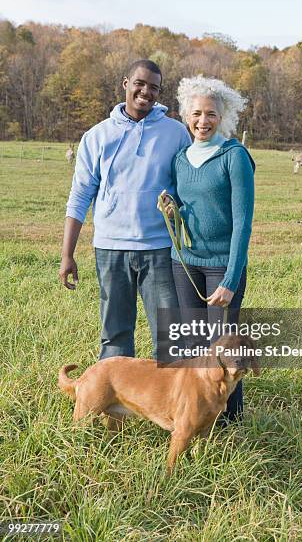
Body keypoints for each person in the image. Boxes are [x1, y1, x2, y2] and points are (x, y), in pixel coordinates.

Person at [59, 59, 191, 359]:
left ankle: (170, 404)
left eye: (154, 87)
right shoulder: (97, 136)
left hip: (158, 248)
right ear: (125, 84)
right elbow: (80, 195)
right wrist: (67, 254)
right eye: (140, 84)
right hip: (110, 248)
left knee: (170, 336)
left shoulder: (176, 133)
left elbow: (187, 188)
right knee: (115, 334)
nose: (146, 92)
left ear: (160, 92)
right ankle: (112, 402)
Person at [167, 75, 255, 423]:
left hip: (222, 268)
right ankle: (194, 416)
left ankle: (231, 419)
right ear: (186, 115)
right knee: (192, 345)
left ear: (224, 117)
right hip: (185, 264)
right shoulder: (180, 159)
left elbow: (242, 223)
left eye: (211, 115)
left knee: (224, 348)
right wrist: (173, 209)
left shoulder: (234, 157)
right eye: (197, 114)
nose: (203, 121)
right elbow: (185, 208)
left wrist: (231, 278)